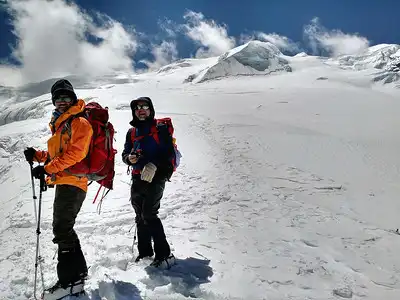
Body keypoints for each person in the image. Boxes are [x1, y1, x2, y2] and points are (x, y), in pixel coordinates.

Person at [23, 79, 93, 298]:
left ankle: (69, 281)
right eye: (58, 98)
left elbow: (77, 153)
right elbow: (58, 155)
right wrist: (38, 156)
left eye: (66, 97)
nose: (62, 101)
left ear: (72, 98)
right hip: (65, 181)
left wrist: (47, 169)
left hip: (73, 182)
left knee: (62, 229)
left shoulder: (79, 122)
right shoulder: (61, 124)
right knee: (65, 228)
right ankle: (78, 274)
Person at [122, 96, 176, 268]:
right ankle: (145, 253)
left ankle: (165, 255)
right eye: (137, 108)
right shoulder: (131, 133)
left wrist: (155, 164)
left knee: (149, 214)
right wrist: (129, 159)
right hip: (138, 177)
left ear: (150, 109)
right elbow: (125, 154)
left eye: (145, 106)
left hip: (157, 176)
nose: (141, 110)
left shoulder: (160, 129)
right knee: (139, 216)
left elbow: (169, 154)